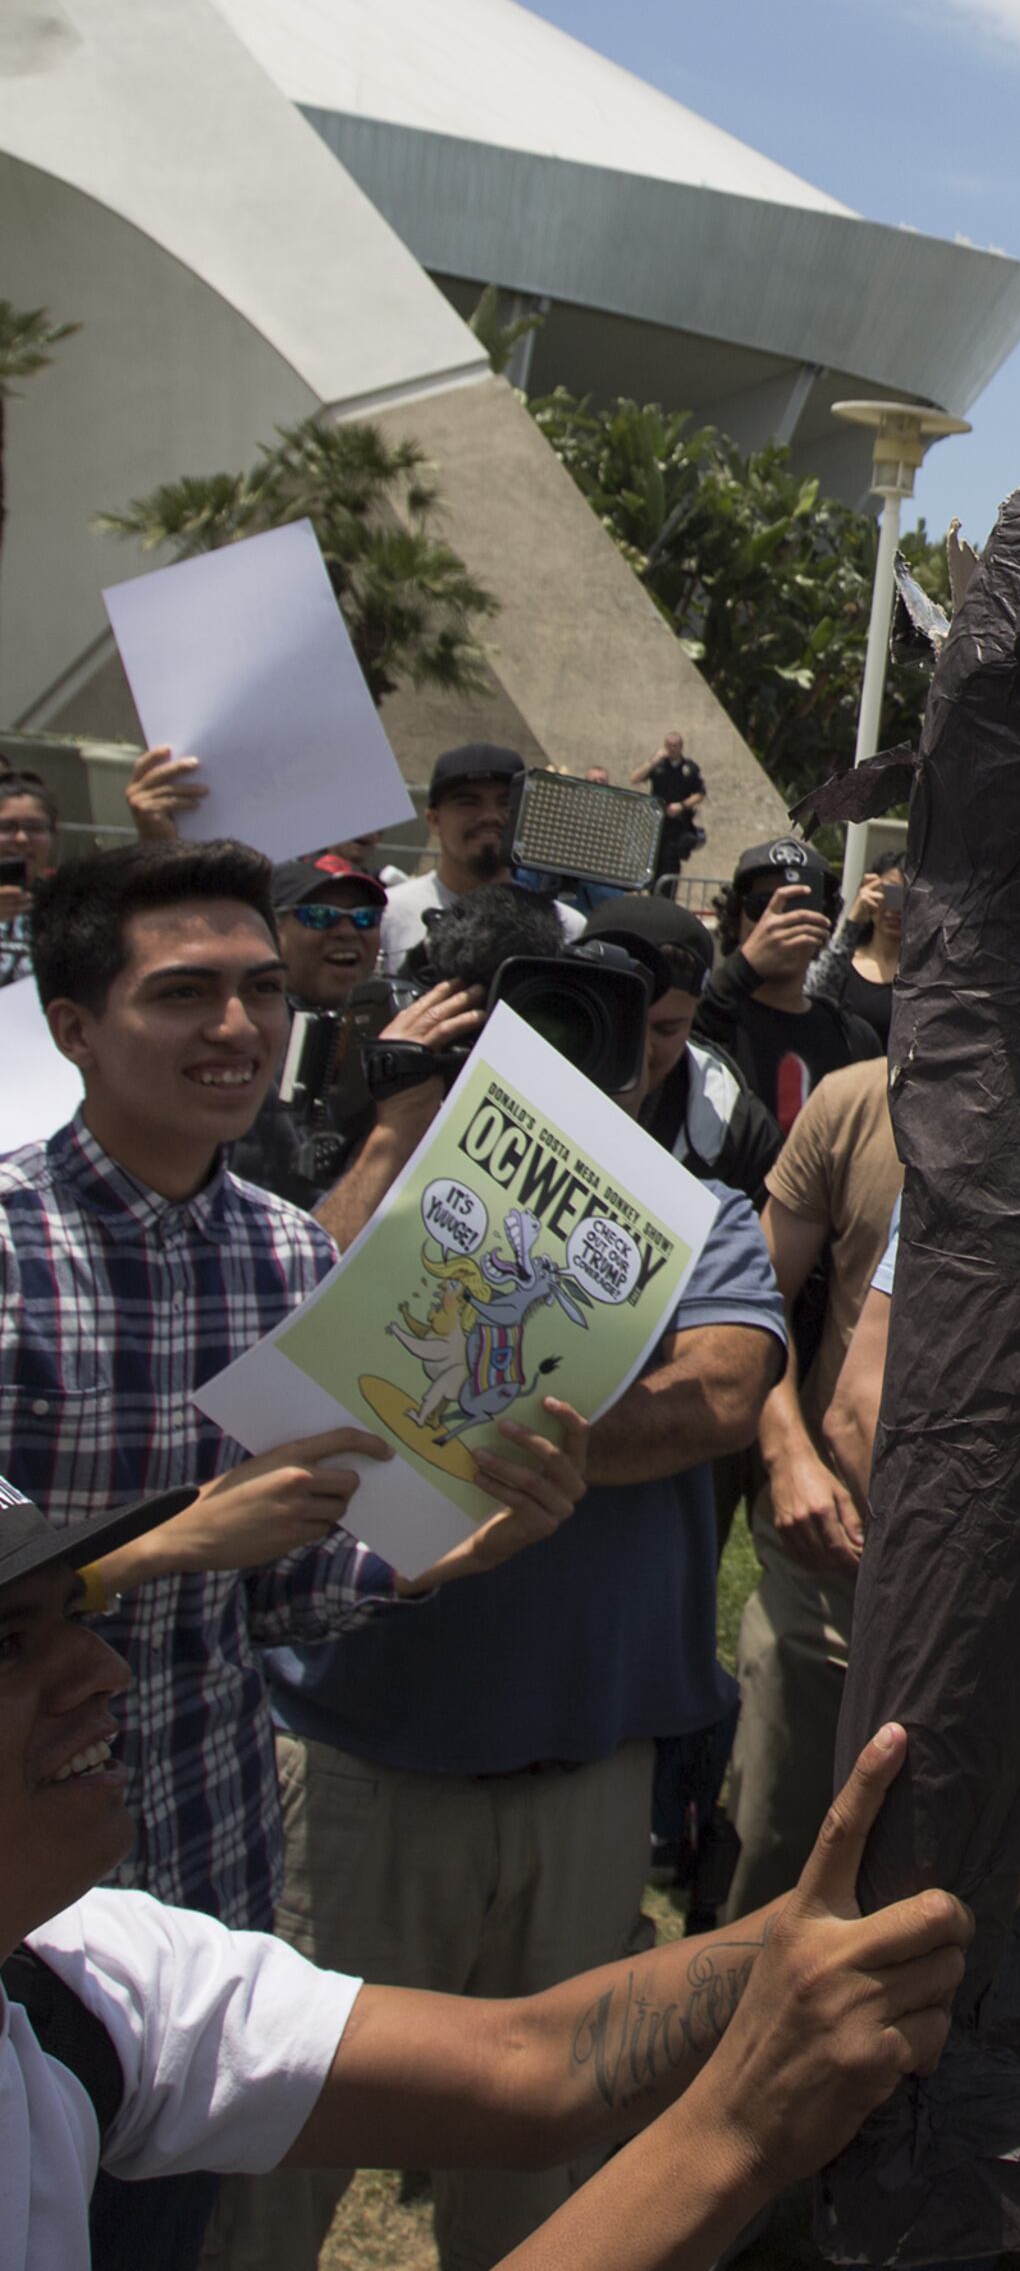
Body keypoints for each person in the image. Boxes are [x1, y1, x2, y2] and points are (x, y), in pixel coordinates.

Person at [2, 847, 587, 2271]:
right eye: (184, 993)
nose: (238, 1029)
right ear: (71, 1025)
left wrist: (449, 1550)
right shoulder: (8, 1246)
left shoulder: (287, 1256)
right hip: (28, 1919)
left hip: (206, 1864)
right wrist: (149, 1556)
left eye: (262, 990)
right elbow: (197, 1550)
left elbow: (295, 1580)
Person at [0, 1477, 973, 2271]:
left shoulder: (85, 1975)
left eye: (72, 1615)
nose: (102, 1668)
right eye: (11, 1645)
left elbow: (530, 2065)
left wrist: (861, 1906)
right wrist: (738, 2131)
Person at [238, 894, 792, 2271]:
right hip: (358, 1756)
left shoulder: (696, 1213)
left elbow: (727, 1388)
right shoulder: (377, 1164)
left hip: (579, 1773)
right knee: (273, 2156)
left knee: (542, 2178)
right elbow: (281, 1335)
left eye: (642, 1031)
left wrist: (521, 1446)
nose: (601, 1055)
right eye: (542, 1018)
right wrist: (398, 1121)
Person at [730, 1058, 903, 1909]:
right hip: (831, 1572)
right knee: (773, 1864)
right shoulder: (854, 1103)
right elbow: (752, 1302)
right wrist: (788, 1452)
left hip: (992, 1597)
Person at [569, 893, 784, 1199]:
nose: (642, 1049)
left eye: (666, 1029)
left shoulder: (734, 1126)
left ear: (693, 1018)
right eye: (623, 1021)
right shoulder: (523, 1059)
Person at [219, 858, 390, 1210]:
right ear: (269, 931)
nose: (347, 932)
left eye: (364, 918)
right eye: (319, 916)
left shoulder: (397, 1031)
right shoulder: (234, 1037)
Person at [700, 839, 882, 1131]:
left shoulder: (854, 1039)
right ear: (736, 917)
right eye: (762, 906)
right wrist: (745, 966)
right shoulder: (713, 1020)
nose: (782, 921)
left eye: (801, 906)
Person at [376, 746, 577, 982]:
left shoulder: (567, 925)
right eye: (469, 802)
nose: (490, 815)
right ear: (433, 820)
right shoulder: (386, 914)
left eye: (506, 802)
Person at [803, 847, 908, 1045]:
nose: (896, 908)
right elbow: (812, 995)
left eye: (906, 897)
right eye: (890, 893)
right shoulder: (843, 961)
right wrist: (853, 921)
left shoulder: (924, 973)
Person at [639, 731, 706, 882]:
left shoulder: (689, 768)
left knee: (669, 864)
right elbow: (635, 778)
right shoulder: (658, 766)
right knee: (651, 862)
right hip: (655, 822)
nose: (672, 748)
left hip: (677, 825)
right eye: (669, 745)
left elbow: (700, 793)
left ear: (681, 747)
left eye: (675, 745)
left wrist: (681, 806)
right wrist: (653, 760)